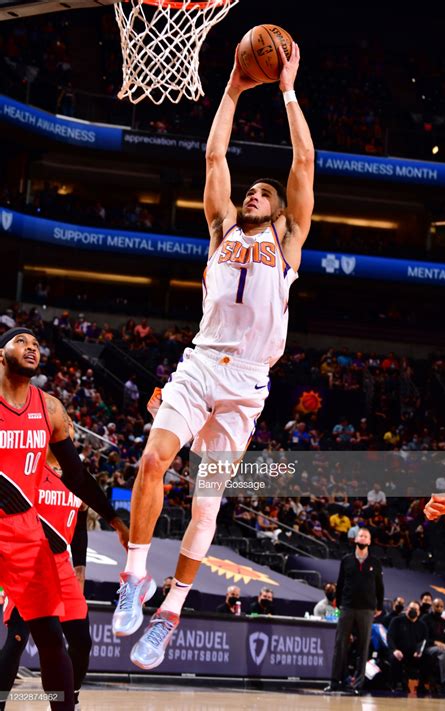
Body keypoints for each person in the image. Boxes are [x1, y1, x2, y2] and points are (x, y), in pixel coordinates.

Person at [112, 38, 314, 671]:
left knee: (205, 501)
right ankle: (135, 579)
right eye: (248, 191)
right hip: (202, 362)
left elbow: (304, 158)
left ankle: (170, 613)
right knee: (152, 462)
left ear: (282, 211)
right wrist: (231, 84)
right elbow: (214, 153)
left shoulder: (289, 241)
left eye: (263, 192)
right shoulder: (222, 229)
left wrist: (285, 90)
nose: (252, 193)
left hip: (249, 381)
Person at [0, 327, 129, 710]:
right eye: (20, 342)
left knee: (53, 640)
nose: (31, 348)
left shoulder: (50, 408)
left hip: (23, 534)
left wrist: (113, 516)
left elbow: (75, 475)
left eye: (36, 345)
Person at [0, 419, 117, 711]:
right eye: (62, 423)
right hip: (30, 562)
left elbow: (78, 527)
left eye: (69, 424)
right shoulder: (33, 469)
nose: (66, 426)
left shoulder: (76, 479)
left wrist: (81, 568)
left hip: (63, 566)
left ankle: (69, 700)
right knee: (16, 642)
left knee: (82, 641)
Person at [324, 528, 384, 695]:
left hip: (367, 609)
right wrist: (339, 604)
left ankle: (358, 685)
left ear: (369, 542)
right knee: (340, 645)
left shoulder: (375, 563)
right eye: (360, 535)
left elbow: (379, 587)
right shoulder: (347, 560)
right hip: (347, 607)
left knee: (363, 646)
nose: (363, 538)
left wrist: (379, 606)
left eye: (366, 536)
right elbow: (340, 582)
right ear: (355, 539)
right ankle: (335, 682)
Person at [386, 600, 428, 695]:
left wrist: (419, 651)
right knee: (395, 658)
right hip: (398, 651)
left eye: (415, 609)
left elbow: (424, 641)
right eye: (411, 608)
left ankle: (422, 685)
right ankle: (397, 683)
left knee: (427, 657)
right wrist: (394, 650)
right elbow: (390, 637)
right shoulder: (396, 620)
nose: (413, 611)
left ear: (419, 612)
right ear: (407, 609)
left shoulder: (422, 625)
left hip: (414, 654)